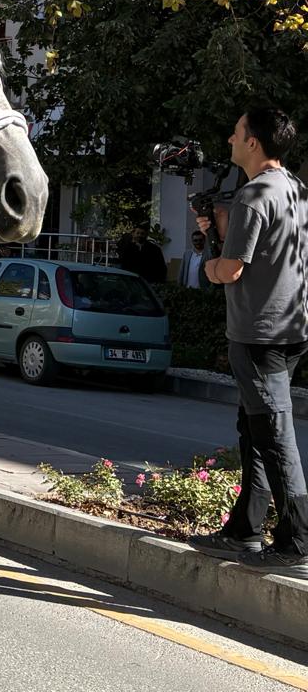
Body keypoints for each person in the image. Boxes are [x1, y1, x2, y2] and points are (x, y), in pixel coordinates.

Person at [189, 107, 308, 568]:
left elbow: (232, 269)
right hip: (293, 328)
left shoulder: (254, 195)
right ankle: (245, 530)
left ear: (254, 142)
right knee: (255, 429)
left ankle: (297, 539)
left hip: (259, 334)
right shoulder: (297, 190)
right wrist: (215, 234)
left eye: (236, 132)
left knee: (273, 434)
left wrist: (209, 265)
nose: (230, 138)